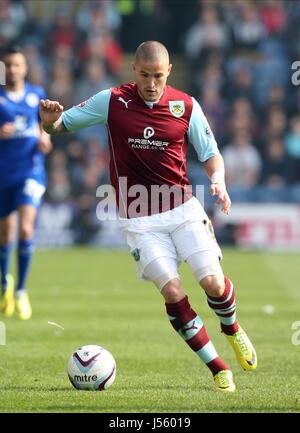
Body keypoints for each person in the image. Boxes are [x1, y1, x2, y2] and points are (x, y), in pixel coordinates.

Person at [40, 41, 257, 392]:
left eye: (158, 76)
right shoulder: (112, 101)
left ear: (169, 72)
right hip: (138, 220)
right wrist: (50, 124)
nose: (151, 83)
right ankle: (218, 367)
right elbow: (60, 126)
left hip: (183, 210)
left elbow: (211, 152)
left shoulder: (186, 105)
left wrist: (218, 181)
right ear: (134, 71)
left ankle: (231, 328)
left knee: (213, 285)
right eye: (144, 75)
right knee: (172, 291)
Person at [0, 45, 52, 320]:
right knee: (6, 234)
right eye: (7, 64)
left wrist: (46, 139)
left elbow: (45, 130)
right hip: (3, 174)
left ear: (25, 68)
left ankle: (20, 290)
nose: (12, 69)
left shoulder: (37, 95)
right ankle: (4, 285)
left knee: (26, 228)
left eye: (16, 64)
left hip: (31, 170)